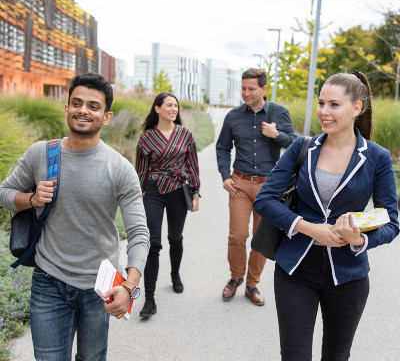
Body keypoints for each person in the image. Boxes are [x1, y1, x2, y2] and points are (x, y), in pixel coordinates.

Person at [0, 73, 150, 360]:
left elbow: (139, 234)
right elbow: (4, 193)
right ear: (66, 108)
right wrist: (31, 199)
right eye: (76, 103)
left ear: (107, 117)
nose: (83, 110)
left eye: (93, 106)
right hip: (48, 280)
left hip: (100, 286)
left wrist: (129, 287)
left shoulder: (119, 168)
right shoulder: (41, 154)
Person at [254, 71, 399, 360]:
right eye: (321, 103)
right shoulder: (302, 147)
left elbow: (391, 221)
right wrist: (310, 228)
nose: (323, 111)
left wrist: (359, 239)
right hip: (295, 270)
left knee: (336, 355)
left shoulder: (377, 158)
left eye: (334, 104)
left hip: (348, 276)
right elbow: (265, 200)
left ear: (357, 108)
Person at [216, 68, 296, 305]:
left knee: (261, 238)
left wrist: (277, 134)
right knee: (238, 235)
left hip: (269, 187)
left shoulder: (279, 113)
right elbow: (222, 148)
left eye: (251, 89)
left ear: (263, 88)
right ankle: (235, 277)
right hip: (239, 184)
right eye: (243, 88)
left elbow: (295, 144)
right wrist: (225, 175)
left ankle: (252, 284)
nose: (246, 93)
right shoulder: (232, 117)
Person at [135, 91, 200, 318]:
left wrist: (196, 192)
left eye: (176, 106)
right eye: (169, 105)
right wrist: (136, 198)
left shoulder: (185, 135)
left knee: (175, 238)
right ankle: (149, 299)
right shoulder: (147, 138)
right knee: (153, 244)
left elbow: (192, 165)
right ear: (157, 108)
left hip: (177, 190)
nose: (174, 109)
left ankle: (175, 274)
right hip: (153, 191)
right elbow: (141, 171)